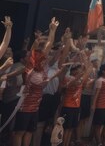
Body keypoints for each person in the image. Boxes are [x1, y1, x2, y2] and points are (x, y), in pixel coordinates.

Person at [14, 18, 62, 146]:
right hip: (25, 107)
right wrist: (36, 42)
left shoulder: (42, 71)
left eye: (44, 60)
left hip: (35, 107)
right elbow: (34, 51)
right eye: (41, 60)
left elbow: (49, 45)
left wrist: (53, 30)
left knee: (30, 132)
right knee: (20, 132)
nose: (44, 61)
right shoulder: (30, 70)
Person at [60, 56, 91, 146]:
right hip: (68, 106)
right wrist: (83, 72)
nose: (77, 71)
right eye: (75, 70)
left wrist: (85, 59)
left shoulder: (79, 79)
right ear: (72, 71)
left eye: (78, 69)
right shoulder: (68, 78)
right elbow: (74, 82)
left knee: (71, 128)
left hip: (76, 106)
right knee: (66, 128)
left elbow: (88, 71)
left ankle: (67, 143)